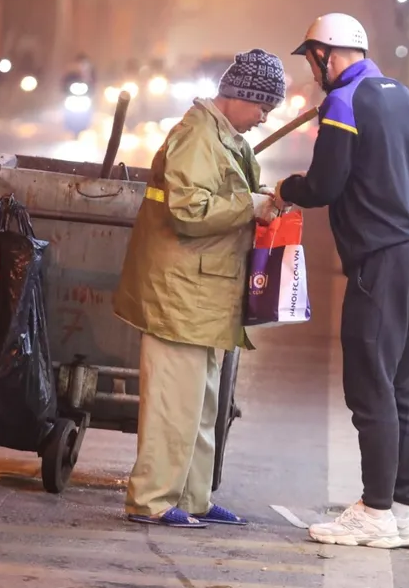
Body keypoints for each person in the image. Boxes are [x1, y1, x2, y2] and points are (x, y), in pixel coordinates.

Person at [276, 14, 409, 549]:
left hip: (386, 260)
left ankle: (375, 512)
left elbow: (326, 183)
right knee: (404, 387)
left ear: (329, 55)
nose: (311, 71)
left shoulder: (344, 102)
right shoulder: (401, 96)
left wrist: (285, 189)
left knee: (370, 387)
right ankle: (403, 511)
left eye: (312, 59)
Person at [113, 48, 286, 528]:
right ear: (238, 96)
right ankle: (150, 501)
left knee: (201, 406)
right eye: (262, 106)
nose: (264, 117)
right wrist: (250, 206)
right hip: (180, 294)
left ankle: (192, 498)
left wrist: (257, 203)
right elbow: (189, 211)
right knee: (173, 404)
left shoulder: (223, 137)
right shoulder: (195, 136)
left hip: (203, 295)